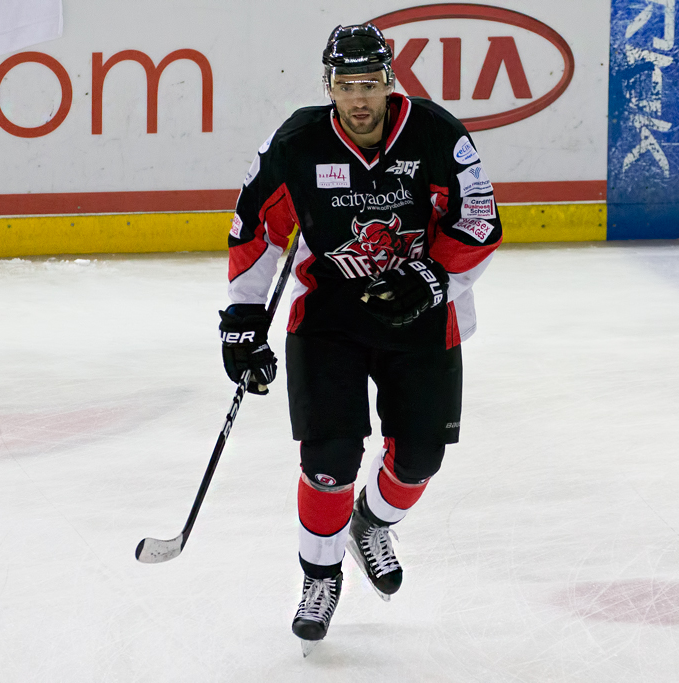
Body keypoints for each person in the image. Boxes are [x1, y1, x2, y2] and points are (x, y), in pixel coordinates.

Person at [219, 23, 502, 650]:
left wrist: (431, 279)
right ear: (330, 87)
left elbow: (479, 222)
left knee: (421, 457)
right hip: (330, 321)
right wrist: (241, 319)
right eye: (346, 86)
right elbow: (254, 228)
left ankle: (370, 520)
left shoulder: (438, 135)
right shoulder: (296, 142)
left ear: (389, 81)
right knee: (328, 461)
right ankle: (319, 579)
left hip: (424, 317)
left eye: (369, 84)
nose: (359, 99)